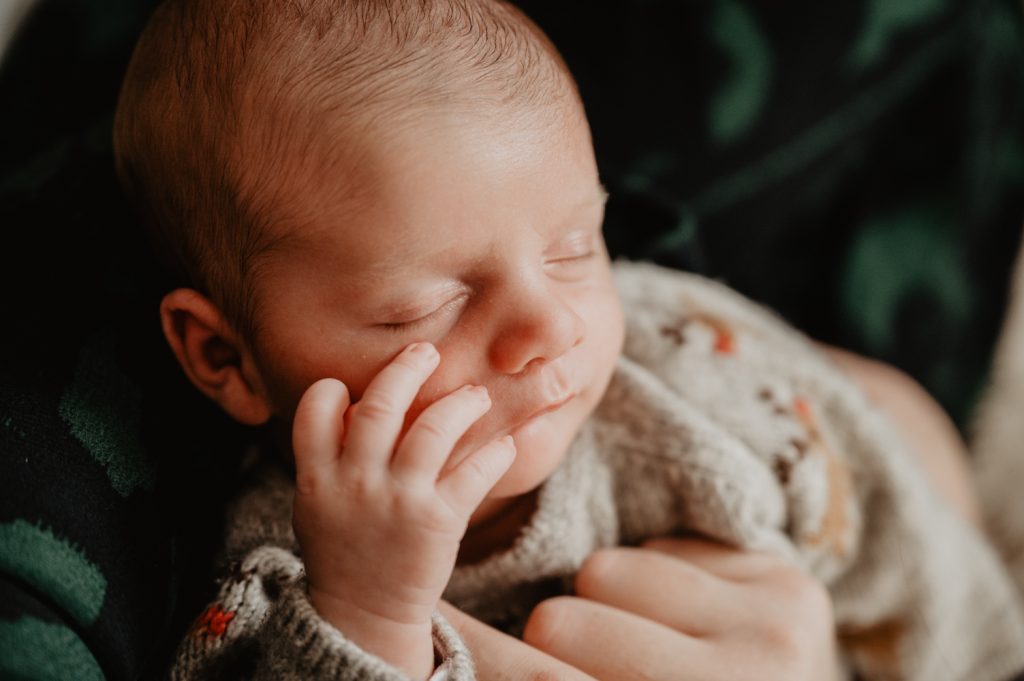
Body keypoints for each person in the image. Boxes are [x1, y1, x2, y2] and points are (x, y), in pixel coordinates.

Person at [112, 0, 1024, 679]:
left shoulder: (692, 374)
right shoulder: (280, 569)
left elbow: (914, 551)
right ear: (225, 357)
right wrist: (372, 613)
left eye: (575, 247)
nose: (551, 326)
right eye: (423, 305)